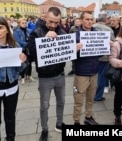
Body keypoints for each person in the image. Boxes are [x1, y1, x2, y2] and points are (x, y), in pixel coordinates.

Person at [26, 7, 66, 141]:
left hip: (60, 74)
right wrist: (44, 39)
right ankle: (44, 129)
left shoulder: (61, 31)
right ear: (45, 18)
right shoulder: (36, 32)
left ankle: (59, 123)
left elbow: (66, 51)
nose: (53, 25)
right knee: (44, 105)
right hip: (44, 76)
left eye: (56, 22)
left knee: (61, 101)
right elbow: (31, 53)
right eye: (51, 22)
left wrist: (74, 48)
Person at [72, 11, 99, 125]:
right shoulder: (76, 35)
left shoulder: (97, 33)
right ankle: (76, 120)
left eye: (91, 19)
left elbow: (99, 54)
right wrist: (75, 50)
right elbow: (71, 56)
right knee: (78, 99)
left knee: (90, 98)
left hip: (94, 71)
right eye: (87, 19)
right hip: (81, 72)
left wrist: (105, 48)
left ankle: (88, 116)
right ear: (81, 20)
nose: (89, 22)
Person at [93, 13, 115, 101]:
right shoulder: (108, 29)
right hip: (104, 56)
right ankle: (98, 96)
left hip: (92, 55)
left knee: (92, 76)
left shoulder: (92, 27)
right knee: (101, 77)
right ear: (106, 20)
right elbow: (113, 42)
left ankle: (91, 94)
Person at [13, 18, 35, 85]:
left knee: (30, 63)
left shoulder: (29, 30)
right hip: (22, 49)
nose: (24, 24)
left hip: (29, 49)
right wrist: (27, 44)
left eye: (25, 23)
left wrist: (30, 44)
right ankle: (22, 78)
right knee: (22, 63)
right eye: (23, 23)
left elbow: (32, 38)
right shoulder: (16, 31)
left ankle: (29, 75)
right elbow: (18, 41)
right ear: (19, 24)